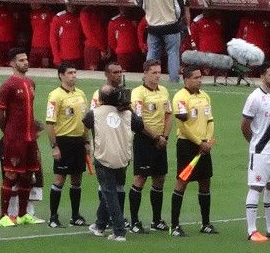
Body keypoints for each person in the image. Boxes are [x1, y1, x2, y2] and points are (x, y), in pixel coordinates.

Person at [241, 62, 270, 242]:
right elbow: (245, 125)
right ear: (262, 77)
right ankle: (252, 230)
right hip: (261, 151)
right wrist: (255, 143)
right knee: (256, 186)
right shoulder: (254, 97)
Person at [169, 65, 217, 237]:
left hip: (204, 146)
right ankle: (174, 226)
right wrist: (199, 142)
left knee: (205, 181)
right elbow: (182, 126)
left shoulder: (205, 96)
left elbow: (210, 120)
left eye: (200, 77)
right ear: (186, 79)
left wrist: (208, 141)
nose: (199, 80)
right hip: (187, 146)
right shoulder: (180, 98)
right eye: (196, 77)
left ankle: (206, 223)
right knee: (182, 182)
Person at [0, 51, 43, 225]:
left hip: (30, 138)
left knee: (28, 175)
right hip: (15, 138)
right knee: (11, 174)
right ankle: (3, 216)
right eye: (21, 60)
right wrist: (7, 131)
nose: (25, 62)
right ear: (12, 63)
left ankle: (23, 214)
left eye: (26, 59)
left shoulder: (31, 83)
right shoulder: (8, 86)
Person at [128, 62, 171, 233]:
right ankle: (134, 221)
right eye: (153, 72)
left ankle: (156, 220)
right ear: (145, 73)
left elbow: (168, 115)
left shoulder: (164, 91)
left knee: (159, 178)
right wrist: (155, 136)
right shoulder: (138, 93)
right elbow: (137, 121)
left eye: (159, 73)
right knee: (140, 178)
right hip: (145, 140)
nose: (157, 76)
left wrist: (165, 137)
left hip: (161, 140)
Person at [88, 86, 135, 241]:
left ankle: (119, 230)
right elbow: (139, 125)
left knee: (109, 192)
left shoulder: (94, 113)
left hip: (104, 157)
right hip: (122, 158)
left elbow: (85, 122)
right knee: (111, 191)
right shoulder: (127, 114)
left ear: (100, 99)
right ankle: (100, 225)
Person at [46, 64, 89, 227]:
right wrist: (54, 146)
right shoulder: (55, 96)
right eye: (70, 73)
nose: (73, 75)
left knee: (77, 179)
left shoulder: (81, 94)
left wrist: (87, 141)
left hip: (79, 141)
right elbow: (50, 122)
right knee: (59, 179)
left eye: (75, 72)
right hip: (64, 141)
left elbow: (85, 121)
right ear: (61, 76)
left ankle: (75, 215)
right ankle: (53, 217)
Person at [140, 0, 186, 74]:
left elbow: (143, 5)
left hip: (153, 25)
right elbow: (179, 7)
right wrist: (176, 19)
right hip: (170, 25)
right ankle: (173, 80)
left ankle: (148, 77)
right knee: (173, 53)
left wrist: (151, 17)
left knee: (152, 52)